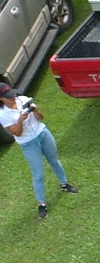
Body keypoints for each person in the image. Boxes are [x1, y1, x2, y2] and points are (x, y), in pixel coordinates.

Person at [0, 84, 78, 220]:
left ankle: (64, 184)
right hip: (28, 144)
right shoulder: (3, 114)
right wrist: (20, 120)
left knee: (54, 161)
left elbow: (41, 117)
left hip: (42, 134)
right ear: (1, 99)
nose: (12, 98)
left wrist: (35, 111)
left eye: (12, 94)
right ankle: (41, 204)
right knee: (38, 174)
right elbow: (17, 133)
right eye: (8, 97)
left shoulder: (23, 99)